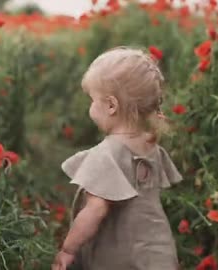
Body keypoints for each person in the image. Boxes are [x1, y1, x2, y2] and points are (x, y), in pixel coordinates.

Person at [52, 46, 183, 270]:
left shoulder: (105, 155)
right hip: (158, 255)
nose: (91, 106)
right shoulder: (151, 147)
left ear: (111, 105)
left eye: (93, 100)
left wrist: (68, 249)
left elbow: (96, 210)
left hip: (120, 258)